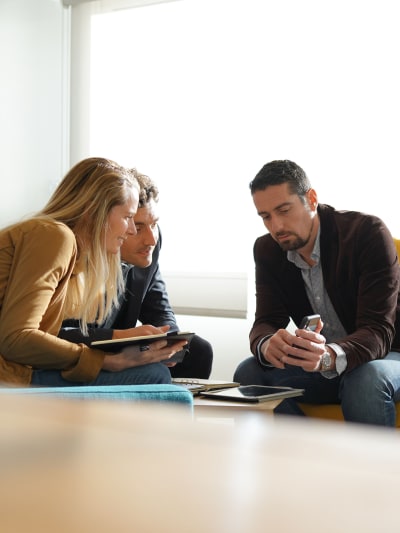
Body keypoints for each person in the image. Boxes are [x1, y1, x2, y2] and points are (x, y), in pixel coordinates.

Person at [233, 159, 400, 426]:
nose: (276, 227)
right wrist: (267, 345)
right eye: (265, 216)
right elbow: (266, 321)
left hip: (388, 355)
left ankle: (370, 469)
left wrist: (330, 356)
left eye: (284, 210)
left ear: (311, 199)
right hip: (320, 364)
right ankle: (301, 459)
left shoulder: (367, 233)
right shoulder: (267, 250)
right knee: (250, 371)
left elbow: (378, 330)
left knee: (365, 378)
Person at [0, 157, 188, 387]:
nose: (130, 230)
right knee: (154, 376)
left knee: (155, 370)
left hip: (17, 367)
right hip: (9, 372)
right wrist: (107, 361)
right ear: (94, 211)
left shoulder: (63, 244)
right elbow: (16, 339)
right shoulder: (55, 236)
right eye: (128, 218)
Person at [60, 170, 213, 379]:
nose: (151, 239)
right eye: (138, 227)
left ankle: (173, 406)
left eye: (154, 224)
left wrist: (167, 342)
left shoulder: (149, 250)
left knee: (198, 351)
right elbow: (61, 333)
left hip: (121, 344)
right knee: (154, 372)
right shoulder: (73, 254)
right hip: (82, 352)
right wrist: (123, 338)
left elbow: (159, 309)